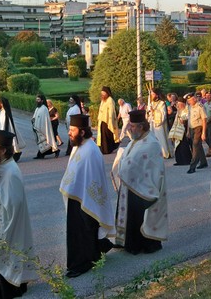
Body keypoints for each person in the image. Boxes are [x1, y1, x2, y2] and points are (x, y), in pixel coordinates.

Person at [0, 130, 36, 298]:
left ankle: (8, 290)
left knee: (6, 254)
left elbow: (13, 204)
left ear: (3, 150)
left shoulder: (12, 172)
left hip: (7, 224)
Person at [59, 114, 115, 278]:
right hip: (78, 198)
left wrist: (82, 194)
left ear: (82, 132)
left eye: (72, 130)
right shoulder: (79, 146)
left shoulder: (90, 150)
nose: (69, 133)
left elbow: (92, 178)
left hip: (85, 200)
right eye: (69, 129)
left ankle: (82, 263)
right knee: (80, 232)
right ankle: (94, 253)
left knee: (83, 232)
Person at [111, 110, 168, 255]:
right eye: (129, 125)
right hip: (130, 186)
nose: (129, 128)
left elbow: (147, 167)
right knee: (129, 215)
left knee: (137, 217)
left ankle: (139, 245)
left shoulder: (152, 143)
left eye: (133, 126)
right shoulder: (134, 140)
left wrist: (126, 169)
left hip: (143, 190)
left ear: (142, 127)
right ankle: (125, 241)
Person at [0, 97, 26, 162]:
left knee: (11, 145)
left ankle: (16, 154)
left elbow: (5, 124)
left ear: (2, 104)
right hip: (4, 132)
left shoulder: (5, 113)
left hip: (7, 132)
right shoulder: (2, 112)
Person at [31, 94, 59, 159]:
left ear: (42, 100)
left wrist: (41, 127)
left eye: (38, 99)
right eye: (36, 99)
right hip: (37, 128)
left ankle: (56, 150)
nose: (37, 101)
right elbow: (35, 117)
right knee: (42, 143)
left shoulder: (44, 108)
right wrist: (33, 121)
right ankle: (41, 154)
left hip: (43, 128)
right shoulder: (38, 108)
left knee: (47, 141)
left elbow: (45, 120)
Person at [147, 88, 172, 159]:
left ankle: (164, 153)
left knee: (160, 138)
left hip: (159, 124)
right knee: (153, 139)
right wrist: (149, 112)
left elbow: (163, 113)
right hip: (152, 123)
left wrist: (154, 111)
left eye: (153, 94)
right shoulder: (151, 103)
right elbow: (149, 113)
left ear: (157, 95)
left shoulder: (162, 103)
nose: (152, 96)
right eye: (151, 94)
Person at [186, 93, 208, 174]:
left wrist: (203, 133)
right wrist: (188, 131)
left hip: (198, 128)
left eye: (190, 100)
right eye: (188, 100)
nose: (189, 101)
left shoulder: (200, 106)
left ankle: (192, 166)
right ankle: (203, 162)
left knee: (195, 147)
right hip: (192, 128)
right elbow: (189, 119)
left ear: (194, 99)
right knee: (198, 145)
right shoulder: (189, 107)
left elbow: (204, 120)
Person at [96, 86, 120, 154]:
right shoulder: (103, 100)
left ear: (107, 93)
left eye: (103, 93)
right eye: (102, 93)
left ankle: (108, 149)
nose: (102, 95)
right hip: (102, 121)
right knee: (102, 136)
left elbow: (112, 111)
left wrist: (110, 121)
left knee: (107, 135)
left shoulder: (110, 100)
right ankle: (103, 149)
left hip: (108, 121)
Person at [169, 97, 192, 166]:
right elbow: (176, 121)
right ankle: (179, 160)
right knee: (178, 146)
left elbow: (188, 119)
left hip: (184, 130)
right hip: (177, 130)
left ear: (183, 104)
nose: (178, 106)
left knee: (184, 146)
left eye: (180, 104)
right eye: (178, 104)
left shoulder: (187, 110)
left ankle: (186, 160)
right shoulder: (179, 111)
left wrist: (184, 121)